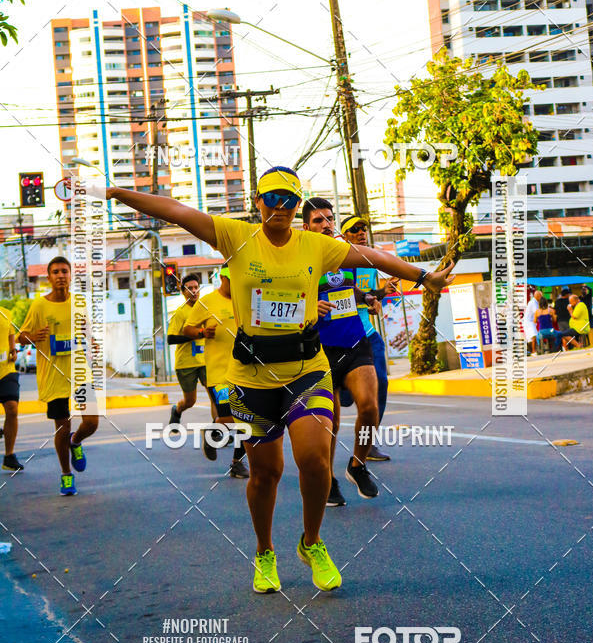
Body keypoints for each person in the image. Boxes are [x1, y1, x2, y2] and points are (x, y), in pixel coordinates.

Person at [101, 166, 455, 594]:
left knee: (315, 459)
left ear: (296, 203)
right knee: (266, 473)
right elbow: (175, 211)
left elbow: (373, 257)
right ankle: (264, 551)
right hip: (252, 379)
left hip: (307, 370)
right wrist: (116, 191)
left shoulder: (316, 245)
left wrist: (424, 277)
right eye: (272, 198)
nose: (281, 207)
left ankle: (312, 542)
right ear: (258, 201)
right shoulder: (234, 235)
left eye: (289, 199)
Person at [303, 199, 385, 510]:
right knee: (331, 421)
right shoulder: (300, 258)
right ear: (306, 227)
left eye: (329, 218)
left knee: (369, 407)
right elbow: (286, 298)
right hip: (320, 349)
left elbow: (349, 288)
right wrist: (310, 306)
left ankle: (357, 465)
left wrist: (368, 299)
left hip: (354, 340)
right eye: (318, 220)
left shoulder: (343, 253)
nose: (325, 224)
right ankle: (328, 479)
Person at [19, 257, 99, 495]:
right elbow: (21, 336)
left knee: (92, 422)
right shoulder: (39, 305)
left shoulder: (79, 302)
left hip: (80, 371)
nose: (61, 275)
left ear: (71, 275)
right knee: (62, 429)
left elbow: (85, 329)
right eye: (56, 272)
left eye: (65, 271)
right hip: (53, 376)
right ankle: (66, 474)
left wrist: (91, 341)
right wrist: (33, 336)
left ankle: (76, 441)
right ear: (49, 277)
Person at [183, 266, 249, 479]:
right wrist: (202, 332)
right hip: (219, 374)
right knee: (228, 417)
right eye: (231, 279)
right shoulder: (207, 301)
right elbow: (188, 329)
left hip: (245, 372)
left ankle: (237, 463)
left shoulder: (245, 299)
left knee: (246, 419)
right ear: (222, 278)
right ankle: (211, 432)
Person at [340, 214, 396, 433]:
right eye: (355, 229)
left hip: (368, 332)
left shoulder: (371, 264)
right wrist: (372, 296)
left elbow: (368, 295)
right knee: (344, 399)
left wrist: (379, 297)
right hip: (341, 335)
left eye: (364, 229)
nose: (361, 233)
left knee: (381, 382)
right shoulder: (336, 262)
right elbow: (346, 294)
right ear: (345, 236)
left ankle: (368, 439)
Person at [167, 273, 207, 426]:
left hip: (206, 361)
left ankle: (217, 426)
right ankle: (177, 410)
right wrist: (195, 334)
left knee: (215, 396)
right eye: (190, 288)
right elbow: (171, 339)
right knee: (190, 401)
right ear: (183, 292)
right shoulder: (180, 313)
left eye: (196, 287)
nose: (194, 291)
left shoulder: (205, 309)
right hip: (186, 364)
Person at [0, 306, 22, 472]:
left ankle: (9, 456)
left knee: (12, 408)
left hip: (6, 369)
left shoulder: (5, 313)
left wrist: (13, 349)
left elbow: (10, 334)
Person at [524, 289, 542, 355]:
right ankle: (533, 351)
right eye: (541, 296)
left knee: (532, 337)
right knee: (533, 336)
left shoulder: (534, 302)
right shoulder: (534, 303)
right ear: (538, 296)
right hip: (529, 322)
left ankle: (534, 350)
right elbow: (537, 312)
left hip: (530, 322)